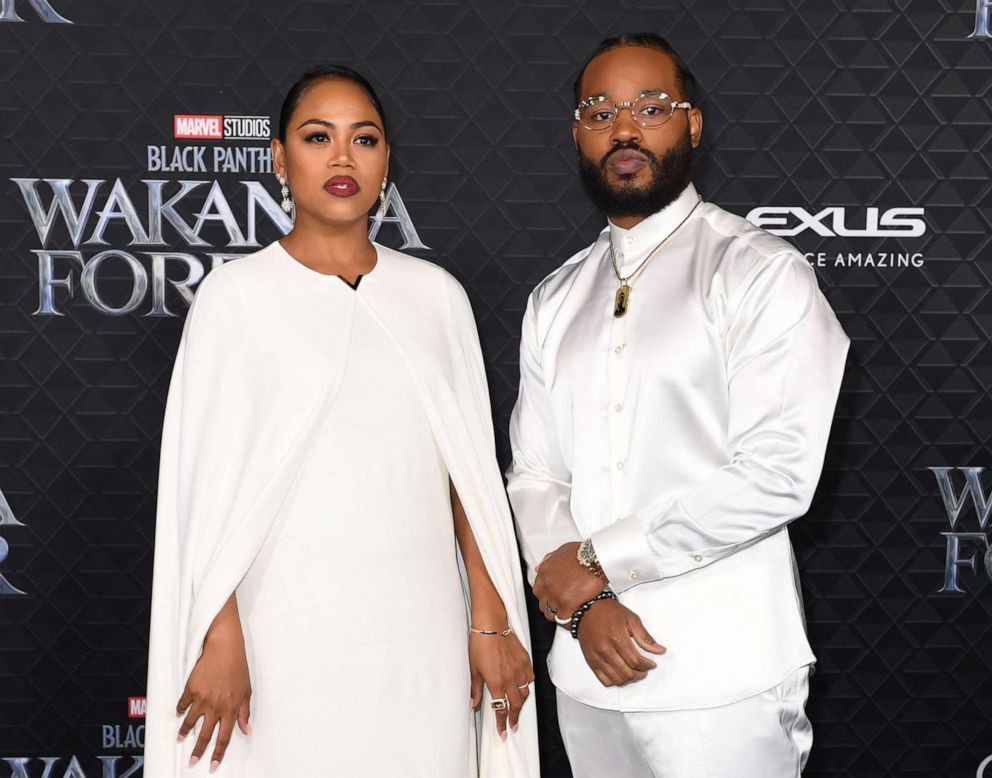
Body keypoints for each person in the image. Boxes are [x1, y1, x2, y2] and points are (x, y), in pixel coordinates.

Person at [144, 65, 539, 778]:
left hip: (420, 633)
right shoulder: (235, 299)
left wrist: (490, 616)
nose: (341, 158)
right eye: (317, 136)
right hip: (278, 632)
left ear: (387, 161)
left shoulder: (436, 297)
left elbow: (468, 481)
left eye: (365, 139)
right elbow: (204, 494)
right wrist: (219, 632)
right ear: (277, 157)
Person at [506, 34, 849, 777]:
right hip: (586, 672)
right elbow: (536, 475)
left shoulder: (759, 274)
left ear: (691, 126)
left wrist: (597, 564)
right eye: (600, 112)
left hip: (723, 683)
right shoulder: (555, 297)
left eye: (650, 108)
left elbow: (777, 474)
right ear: (577, 135)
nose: (624, 129)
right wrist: (585, 607)